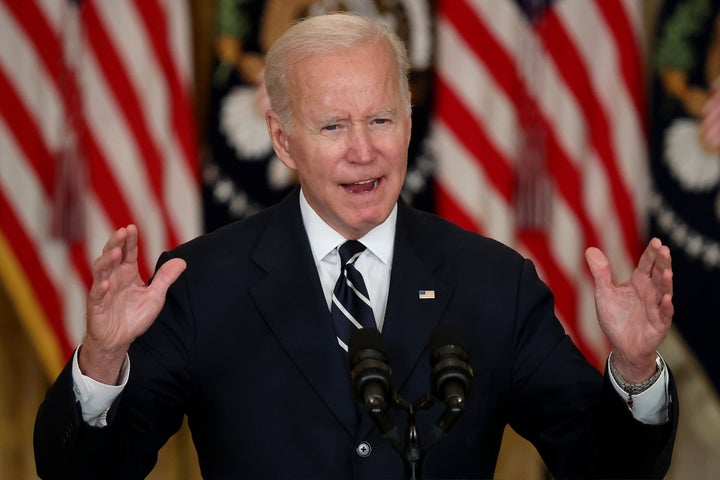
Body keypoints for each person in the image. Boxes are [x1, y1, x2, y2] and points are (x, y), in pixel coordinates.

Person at [34, 12, 677, 480]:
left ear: (408, 122)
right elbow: (85, 474)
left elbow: (607, 469)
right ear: (284, 142)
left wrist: (635, 372)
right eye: (334, 126)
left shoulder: (494, 283)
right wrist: (101, 359)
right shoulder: (202, 283)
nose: (363, 151)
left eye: (380, 119)